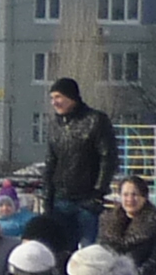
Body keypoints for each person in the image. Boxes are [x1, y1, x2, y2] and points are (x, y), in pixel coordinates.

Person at [42, 78, 118, 238]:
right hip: (60, 200)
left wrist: (97, 193)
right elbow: (50, 162)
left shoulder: (95, 120)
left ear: (72, 97)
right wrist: (47, 196)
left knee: (88, 253)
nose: (54, 102)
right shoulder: (55, 125)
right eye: (52, 98)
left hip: (87, 200)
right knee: (62, 251)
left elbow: (108, 158)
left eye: (58, 97)